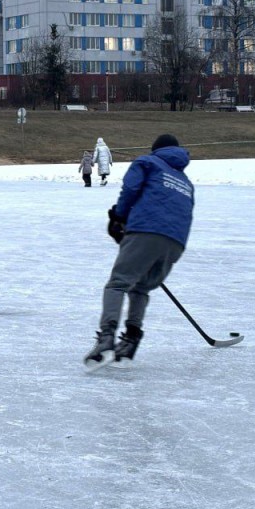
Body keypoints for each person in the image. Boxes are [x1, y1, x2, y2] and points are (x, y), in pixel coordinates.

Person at [84, 133, 195, 372]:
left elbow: (131, 188)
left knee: (118, 283)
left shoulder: (147, 162)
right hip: (176, 241)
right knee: (141, 287)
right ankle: (131, 340)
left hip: (146, 230)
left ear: (156, 149)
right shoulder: (185, 181)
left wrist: (119, 218)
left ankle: (106, 338)